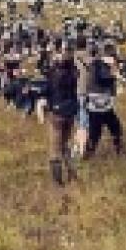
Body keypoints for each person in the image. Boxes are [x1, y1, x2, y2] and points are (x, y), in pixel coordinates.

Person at [45, 45, 80, 185]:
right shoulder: (74, 73)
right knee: (65, 144)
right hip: (70, 111)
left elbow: (48, 87)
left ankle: (58, 181)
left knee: (54, 148)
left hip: (57, 111)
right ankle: (72, 173)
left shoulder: (55, 73)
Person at [82, 45, 125, 158]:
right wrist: (114, 75)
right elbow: (102, 79)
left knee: (112, 127)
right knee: (98, 131)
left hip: (100, 103)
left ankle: (89, 153)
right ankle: (88, 154)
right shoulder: (99, 65)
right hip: (98, 103)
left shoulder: (97, 64)